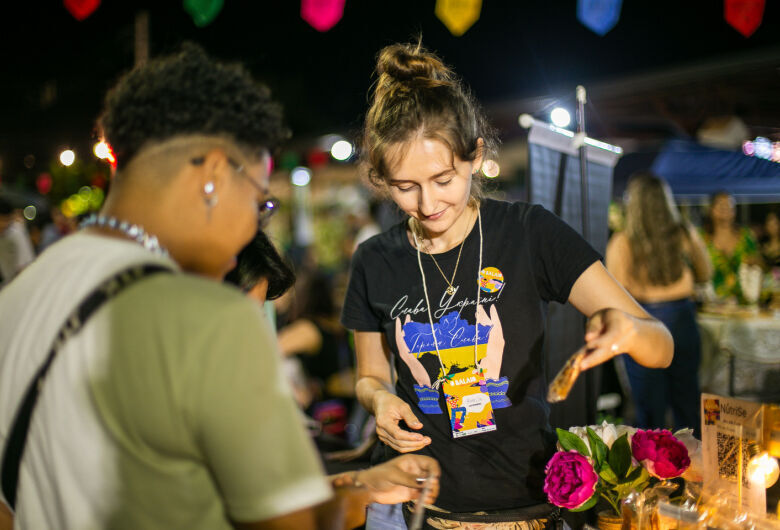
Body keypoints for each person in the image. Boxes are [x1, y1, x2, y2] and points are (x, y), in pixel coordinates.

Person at [0, 43, 440, 530]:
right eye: (259, 200)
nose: (255, 224)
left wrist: (360, 484)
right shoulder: (206, 316)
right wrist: (359, 498)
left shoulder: (20, 294)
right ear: (212, 176)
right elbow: (290, 526)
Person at [340, 41, 673, 528]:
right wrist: (380, 400)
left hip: (526, 503)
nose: (428, 203)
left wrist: (628, 330)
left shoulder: (528, 233)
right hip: (421, 506)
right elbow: (368, 376)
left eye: (443, 178)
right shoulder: (374, 259)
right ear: (381, 178)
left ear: (474, 156)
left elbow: (660, 346)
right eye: (405, 187)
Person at [605, 172, 711, 437]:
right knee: (687, 404)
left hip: (642, 323)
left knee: (650, 410)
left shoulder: (622, 241)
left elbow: (613, 292)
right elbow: (706, 272)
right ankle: (691, 470)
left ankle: (654, 475)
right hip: (682, 318)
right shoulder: (683, 233)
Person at [701, 190, 762, 303]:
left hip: (744, 304)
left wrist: (754, 264)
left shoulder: (746, 237)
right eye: (720, 204)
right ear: (711, 210)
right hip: (712, 306)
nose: (725, 207)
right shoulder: (702, 239)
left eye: (729, 204)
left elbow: (758, 265)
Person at [0, 197, 35, 287]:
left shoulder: (16, 233)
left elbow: (24, 266)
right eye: (2, 220)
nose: (4, 224)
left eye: (7, 220)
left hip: (22, 283)